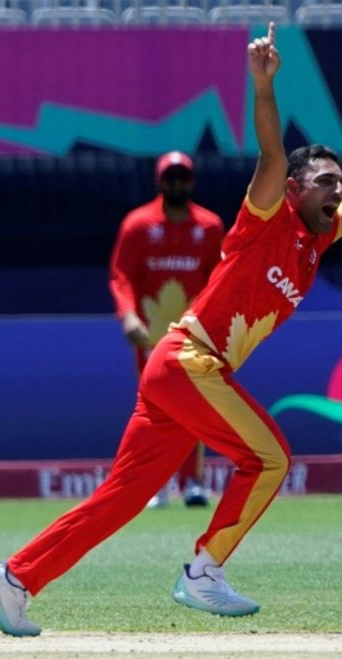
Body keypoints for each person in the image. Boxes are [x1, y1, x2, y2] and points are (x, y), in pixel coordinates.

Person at [0, 22, 342, 636]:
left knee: (120, 500)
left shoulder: (321, 239)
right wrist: (262, 83)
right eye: (326, 182)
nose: (338, 190)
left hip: (179, 374)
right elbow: (272, 153)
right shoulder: (265, 217)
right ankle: (204, 572)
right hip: (188, 360)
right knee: (271, 459)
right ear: (294, 191)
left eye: (340, 182)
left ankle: (14, 579)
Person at [108, 150, 224, 508]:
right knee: (155, 410)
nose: (176, 183)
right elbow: (121, 277)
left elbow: (220, 279)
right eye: (170, 177)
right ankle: (154, 485)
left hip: (192, 334)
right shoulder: (138, 225)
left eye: (182, 177)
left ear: (191, 181)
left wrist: (215, 324)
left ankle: (192, 482)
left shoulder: (209, 227)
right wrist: (128, 316)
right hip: (151, 334)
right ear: (158, 181)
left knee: (194, 406)